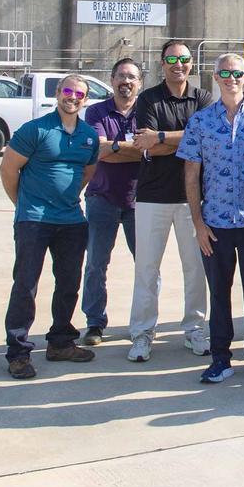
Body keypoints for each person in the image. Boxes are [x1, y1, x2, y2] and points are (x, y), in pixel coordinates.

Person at [179, 53, 244, 384]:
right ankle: (220, 358)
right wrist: (198, 224)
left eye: (237, 73)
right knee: (219, 294)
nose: (231, 79)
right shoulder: (201, 121)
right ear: (216, 77)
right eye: (225, 73)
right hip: (216, 224)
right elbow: (191, 174)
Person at [0, 74, 101, 379]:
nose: (73, 97)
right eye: (68, 91)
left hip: (71, 221)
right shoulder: (35, 130)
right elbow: (8, 169)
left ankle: (61, 342)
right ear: (57, 93)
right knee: (25, 285)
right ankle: (18, 352)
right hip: (34, 221)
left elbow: (87, 172)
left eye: (79, 94)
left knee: (69, 284)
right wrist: (24, 205)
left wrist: (65, 198)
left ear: (85, 99)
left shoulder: (88, 136)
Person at [126, 41, 215, 363]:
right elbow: (144, 144)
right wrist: (184, 139)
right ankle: (142, 333)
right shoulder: (148, 99)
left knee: (195, 268)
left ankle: (195, 329)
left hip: (193, 200)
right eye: (172, 59)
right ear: (162, 63)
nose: (179, 64)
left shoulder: (203, 98)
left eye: (184, 59)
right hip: (153, 197)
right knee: (146, 269)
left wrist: (162, 137)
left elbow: (205, 138)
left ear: (192, 63)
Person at [79, 57, 143, 346]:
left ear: (139, 83)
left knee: (146, 266)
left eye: (131, 77)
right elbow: (98, 150)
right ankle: (94, 323)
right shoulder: (96, 111)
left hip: (139, 200)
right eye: (121, 76)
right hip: (101, 199)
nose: (126, 82)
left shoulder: (147, 111)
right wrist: (129, 148)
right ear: (112, 79)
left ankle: (143, 322)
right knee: (96, 264)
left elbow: (148, 151)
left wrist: (113, 146)